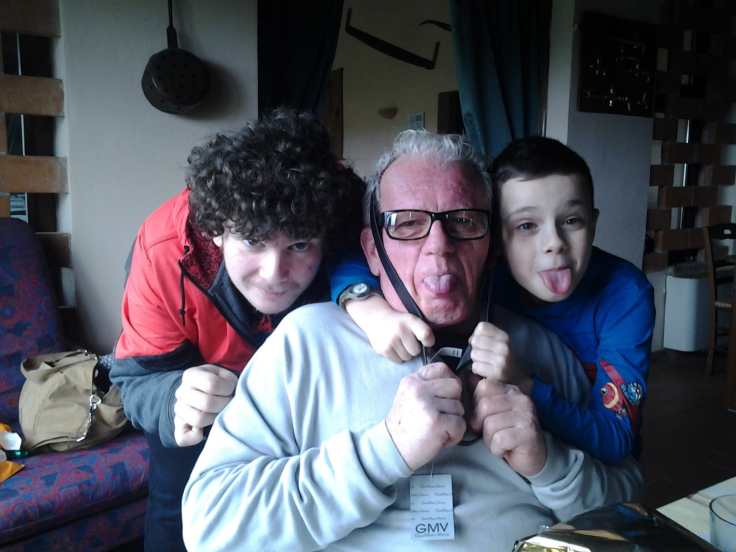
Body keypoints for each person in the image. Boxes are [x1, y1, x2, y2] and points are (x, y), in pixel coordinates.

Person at [181, 130, 643, 551]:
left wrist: (550, 463)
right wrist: (382, 451)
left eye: (464, 220)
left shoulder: (537, 349)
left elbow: (627, 503)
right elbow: (209, 525)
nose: (439, 246)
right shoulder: (305, 344)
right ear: (371, 251)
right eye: (405, 224)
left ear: (491, 247)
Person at [110, 109, 364, 552]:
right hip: (200, 390)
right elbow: (134, 379)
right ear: (216, 230)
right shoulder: (161, 250)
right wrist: (172, 396)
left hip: (307, 389)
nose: (274, 273)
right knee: (176, 508)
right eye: (252, 241)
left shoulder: (341, 214)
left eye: (299, 244)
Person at [333, 137, 654, 465]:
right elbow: (362, 254)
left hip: (579, 462)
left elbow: (618, 440)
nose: (554, 243)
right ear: (496, 240)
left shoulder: (624, 295)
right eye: (526, 225)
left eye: (572, 220)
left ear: (594, 223)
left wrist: (523, 384)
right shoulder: (483, 271)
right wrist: (369, 309)